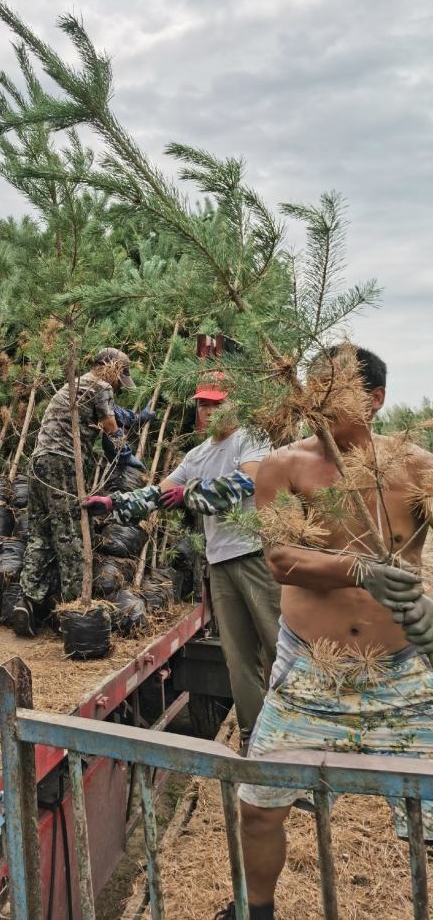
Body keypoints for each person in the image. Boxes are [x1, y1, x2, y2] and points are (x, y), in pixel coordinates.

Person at [213, 346, 433, 920]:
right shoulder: (284, 465)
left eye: (332, 390)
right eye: (312, 388)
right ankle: (256, 911)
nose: (315, 401)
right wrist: (358, 568)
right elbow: (281, 559)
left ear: (376, 399)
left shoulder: (414, 467)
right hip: (313, 666)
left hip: (402, 669)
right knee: (259, 804)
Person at [85, 372, 280, 752]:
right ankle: (254, 738)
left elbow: (247, 483)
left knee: (278, 647)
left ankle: (297, 734)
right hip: (220, 563)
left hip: (257, 557)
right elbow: (159, 493)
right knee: (239, 660)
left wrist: (190, 494)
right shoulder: (197, 455)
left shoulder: (252, 439)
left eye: (216, 403)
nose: (208, 411)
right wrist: (114, 504)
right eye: (202, 404)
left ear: (234, 404)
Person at [12, 347, 138, 637]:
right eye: (121, 377)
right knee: (69, 536)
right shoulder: (101, 385)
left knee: (40, 536)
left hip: (39, 462)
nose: (120, 385)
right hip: (63, 462)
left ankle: (27, 603)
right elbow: (109, 424)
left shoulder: (73, 385)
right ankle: (71, 613)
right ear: (113, 369)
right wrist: (123, 450)